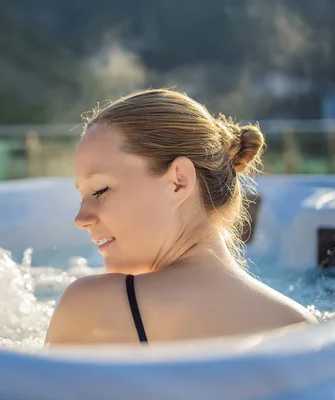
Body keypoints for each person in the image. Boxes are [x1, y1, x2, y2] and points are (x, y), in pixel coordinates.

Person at [45, 88, 318, 345]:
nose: (81, 219)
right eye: (83, 197)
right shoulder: (305, 330)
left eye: (100, 190)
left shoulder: (92, 308)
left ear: (179, 181)